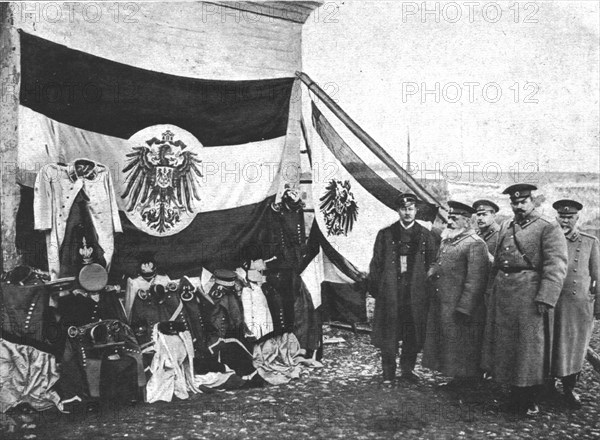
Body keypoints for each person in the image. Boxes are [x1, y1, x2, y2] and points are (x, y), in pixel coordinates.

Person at [482, 183, 568, 416]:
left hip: (529, 294)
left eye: (523, 202)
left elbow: (556, 266)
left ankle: (530, 398)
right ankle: (513, 393)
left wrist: (546, 297)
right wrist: (491, 291)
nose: (519, 206)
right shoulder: (506, 226)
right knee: (508, 346)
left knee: (530, 348)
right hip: (505, 292)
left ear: (533, 202)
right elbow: (497, 262)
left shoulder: (548, 227)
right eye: (515, 202)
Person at [368, 193, 439, 383]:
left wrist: (426, 289)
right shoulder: (386, 234)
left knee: (412, 331)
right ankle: (388, 373)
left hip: (415, 292)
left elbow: (432, 263)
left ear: (416, 210)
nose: (407, 213)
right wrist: (379, 290)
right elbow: (376, 263)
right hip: (391, 291)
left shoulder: (426, 235)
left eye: (410, 209)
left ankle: (407, 370)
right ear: (397, 210)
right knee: (389, 331)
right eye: (403, 209)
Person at [422, 201, 489, 385]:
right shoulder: (448, 240)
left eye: (454, 218)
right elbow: (440, 262)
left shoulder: (475, 244)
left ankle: (469, 384)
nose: (449, 222)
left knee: (464, 345)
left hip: (461, 306)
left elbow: (476, 280)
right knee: (451, 344)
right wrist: (432, 271)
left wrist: (465, 308)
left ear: (466, 221)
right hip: (444, 303)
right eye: (449, 217)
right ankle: (458, 380)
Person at [550, 199, 600, 408]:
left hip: (577, 307)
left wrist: (597, 308)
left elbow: (597, 276)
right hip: (551, 303)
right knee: (550, 347)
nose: (565, 221)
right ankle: (548, 386)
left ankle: (569, 389)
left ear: (577, 218)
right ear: (556, 217)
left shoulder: (589, 241)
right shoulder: (549, 239)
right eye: (562, 216)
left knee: (574, 349)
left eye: (569, 217)